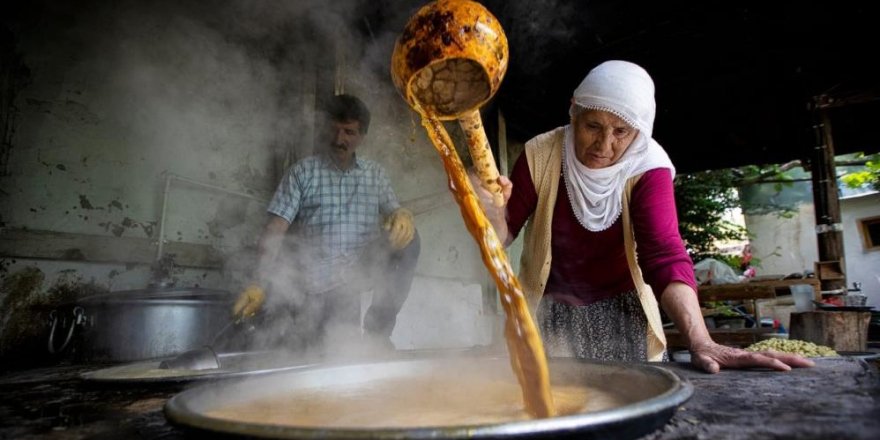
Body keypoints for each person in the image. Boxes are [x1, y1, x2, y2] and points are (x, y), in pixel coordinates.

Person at [472, 60, 812, 373]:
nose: (604, 144)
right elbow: (502, 238)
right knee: (552, 405)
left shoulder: (648, 166)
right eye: (593, 125)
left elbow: (663, 253)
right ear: (574, 112)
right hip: (549, 309)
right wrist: (489, 214)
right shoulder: (540, 154)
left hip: (624, 310)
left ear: (640, 131)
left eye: (621, 131)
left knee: (626, 402)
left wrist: (701, 341)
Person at [232, 93, 420, 353]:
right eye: (334, 130)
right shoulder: (302, 172)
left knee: (411, 239)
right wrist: (258, 282)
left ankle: (378, 332)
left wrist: (401, 213)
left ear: (362, 137)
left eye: (349, 132)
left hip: (357, 273)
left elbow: (395, 214)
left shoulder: (375, 175)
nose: (339, 140)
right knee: (326, 357)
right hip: (314, 284)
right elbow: (275, 230)